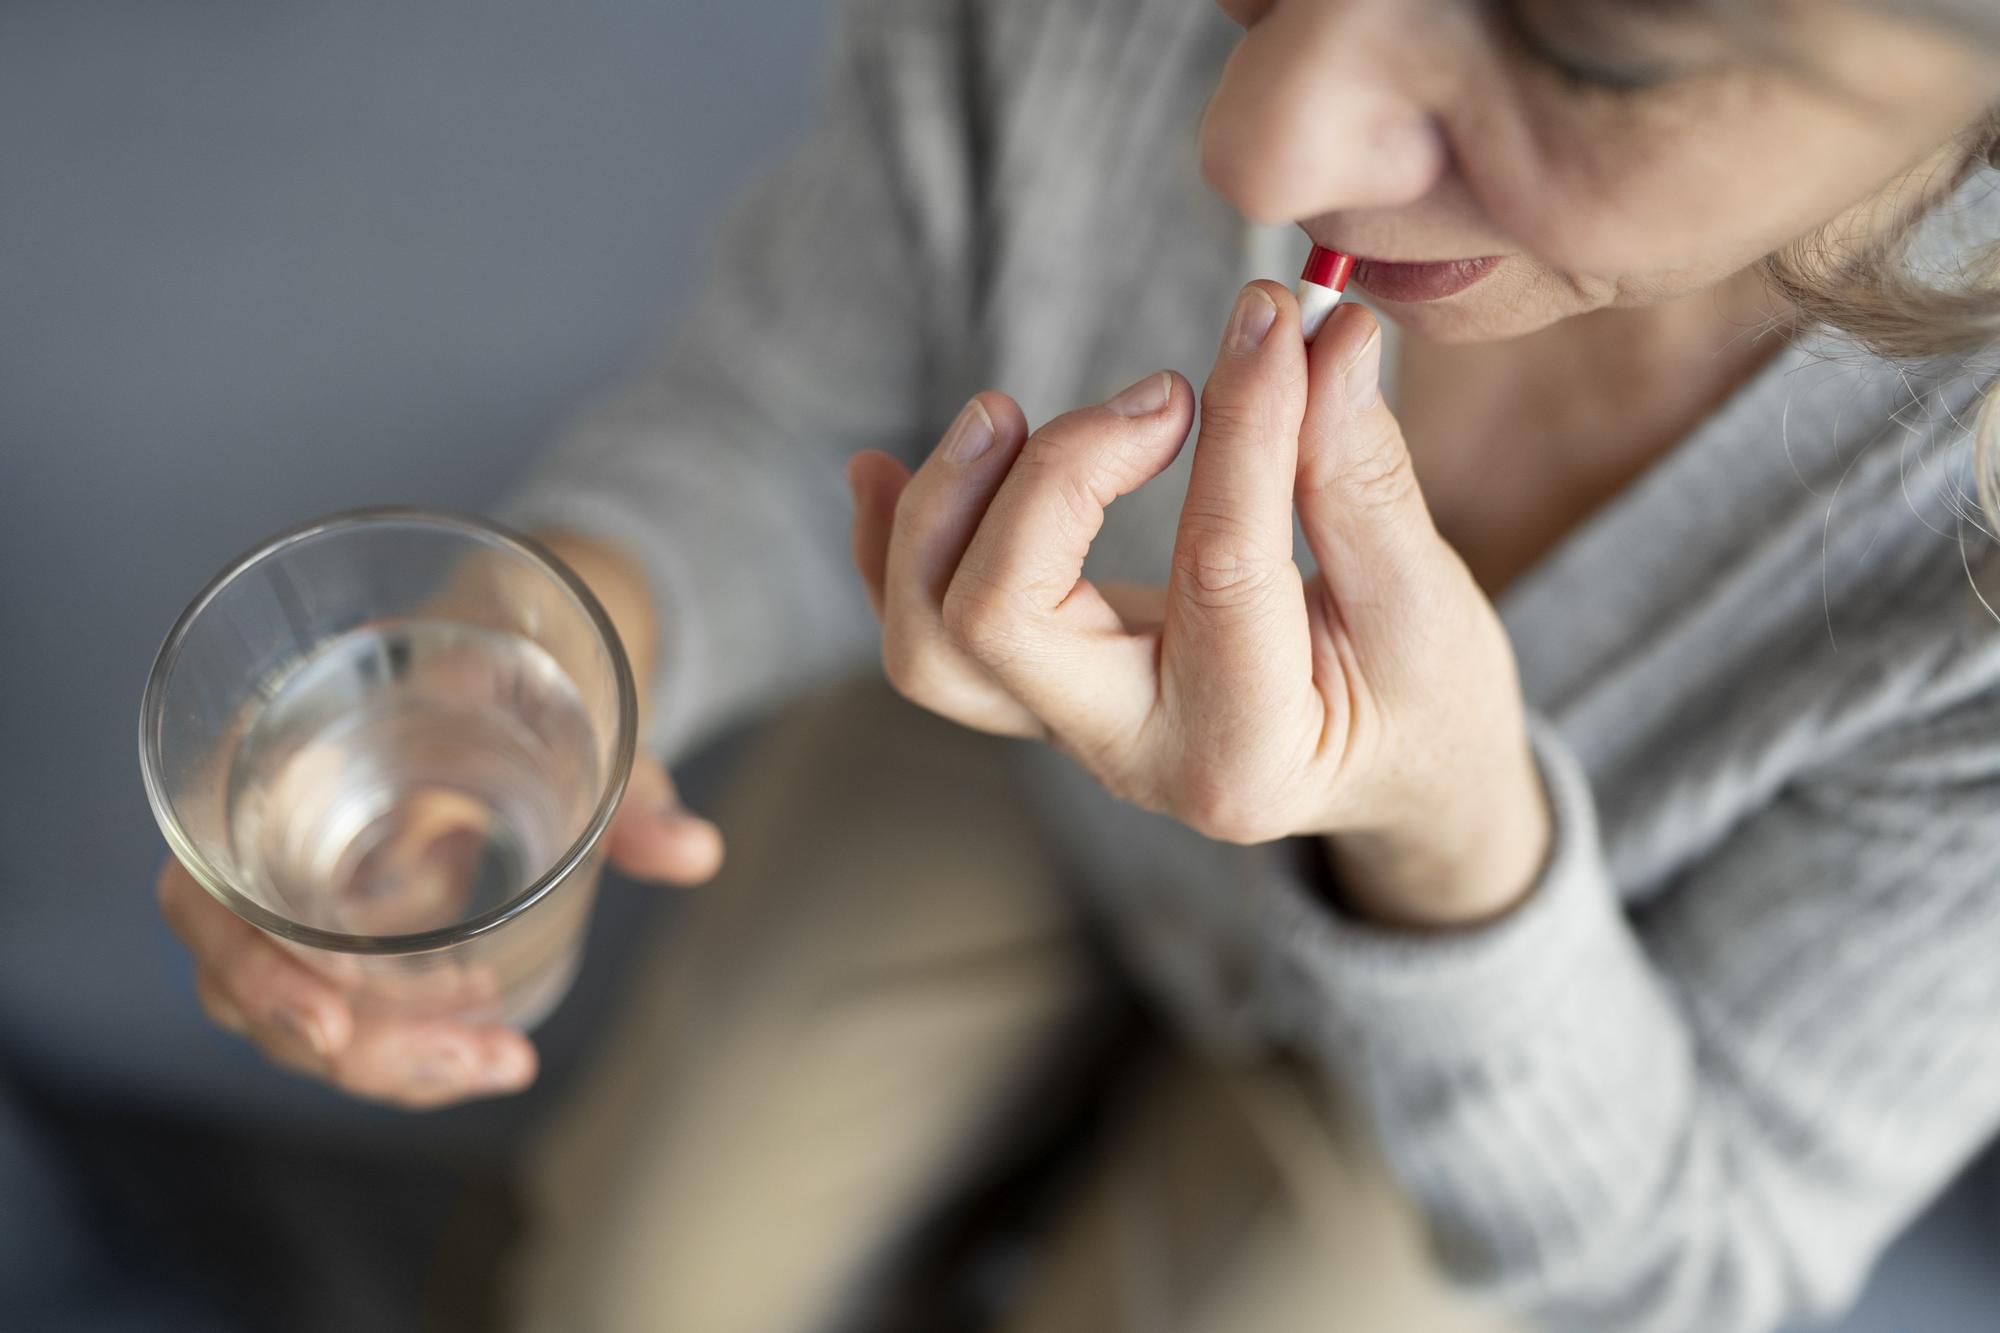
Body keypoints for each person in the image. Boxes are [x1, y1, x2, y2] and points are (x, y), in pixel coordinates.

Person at [155, 0, 2000, 1328]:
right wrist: (543, 671)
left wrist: (1454, 836)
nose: (1263, 148)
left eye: (1585, 44)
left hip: (1548, 1055)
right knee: (641, 1282)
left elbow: (1705, 1250)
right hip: (1001, 749)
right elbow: (806, 406)